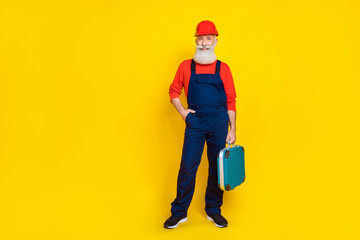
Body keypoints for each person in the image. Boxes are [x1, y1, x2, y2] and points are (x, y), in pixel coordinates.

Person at [164, 20, 237, 229]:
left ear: (215, 41)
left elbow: (231, 100)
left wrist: (233, 129)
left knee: (217, 168)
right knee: (187, 167)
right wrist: (183, 113)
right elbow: (173, 91)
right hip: (195, 123)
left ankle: (213, 210)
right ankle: (179, 212)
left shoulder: (224, 68)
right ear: (196, 40)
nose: (204, 43)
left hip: (218, 123)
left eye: (209, 38)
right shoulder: (186, 66)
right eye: (201, 38)